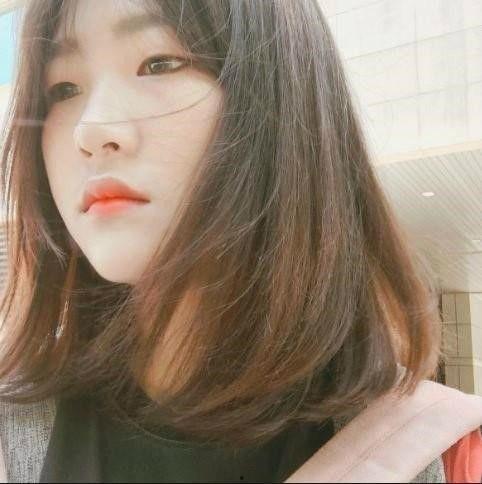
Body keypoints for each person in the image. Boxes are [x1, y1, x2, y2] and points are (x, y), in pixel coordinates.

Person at [0, 0, 480, 482]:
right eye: (62, 89)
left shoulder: (444, 456)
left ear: (284, 97)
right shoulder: (14, 426)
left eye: (159, 63)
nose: (89, 131)